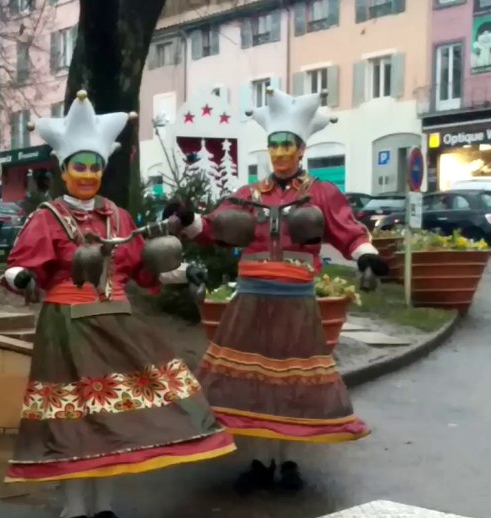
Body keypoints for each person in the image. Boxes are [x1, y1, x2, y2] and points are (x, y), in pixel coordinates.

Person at [0, 91, 236, 518]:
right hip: (66, 327)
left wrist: (181, 272)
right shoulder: (47, 218)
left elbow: (139, 270)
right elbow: (16, 267)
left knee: (112, 421)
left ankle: (103, 510)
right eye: (78, 166)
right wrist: (22, 278)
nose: (87, 175)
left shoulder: (118, 216)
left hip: (115, 326)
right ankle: (74, 513)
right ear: (63, 169)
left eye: (94, 167)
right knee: (74, 423)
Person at [167, 88, 389, 492]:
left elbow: (347, 230)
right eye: (275, 145)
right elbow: (213, 227)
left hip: (295, 300)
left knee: (290, 384)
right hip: (251, 298)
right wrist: (187, 219)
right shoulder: (249, 196)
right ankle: (257, 459)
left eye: (288, 144)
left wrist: (366, 256)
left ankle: (286, 461)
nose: (281, 152)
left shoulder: (322, 193)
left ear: (302, 149)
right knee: (253, 382)